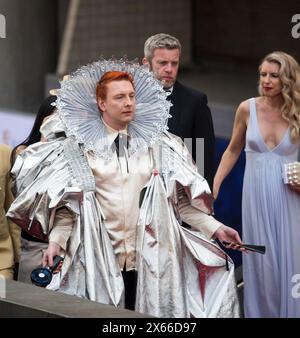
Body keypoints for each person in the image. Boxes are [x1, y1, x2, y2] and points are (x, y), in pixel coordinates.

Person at [8, 59, 242, 317]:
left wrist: (216, 228)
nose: (129, 102)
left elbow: (181, 204)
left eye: (131, 96)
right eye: (119, 97)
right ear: (102, 104)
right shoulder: (79, 150)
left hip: (150, 264)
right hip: (97, 263)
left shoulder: (160, 145)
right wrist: (56, 242)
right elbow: (70, 210)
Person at [213, 51, 300, 318]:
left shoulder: (298, 110)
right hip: (256, 197)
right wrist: (214, 185)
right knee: (262, 266)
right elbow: (232, 150)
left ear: (287, 79)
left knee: (291, 264)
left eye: (274, 75)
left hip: (291, 197)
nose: (267, 80)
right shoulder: (246, 108)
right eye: (263, 74)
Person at [142, 33, 215, 188]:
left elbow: (202, 156)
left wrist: (202, 197)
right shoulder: (130, 99)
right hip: (136, 190)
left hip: (180, 192)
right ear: (146, 63)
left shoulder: (195, 101)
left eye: (174, 63)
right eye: (162, 63)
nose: (169, 69)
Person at [11, 95, 57, 283]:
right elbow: (24, 191)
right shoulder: (24, 152)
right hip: (32, 245)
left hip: (64, 246)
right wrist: (46, 141)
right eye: (53, 120)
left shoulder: (79, 155)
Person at [0, 144, 20, 279]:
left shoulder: (5, 154)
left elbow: (12, 209)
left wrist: (18, 258)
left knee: (3, 297)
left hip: (2, 260)